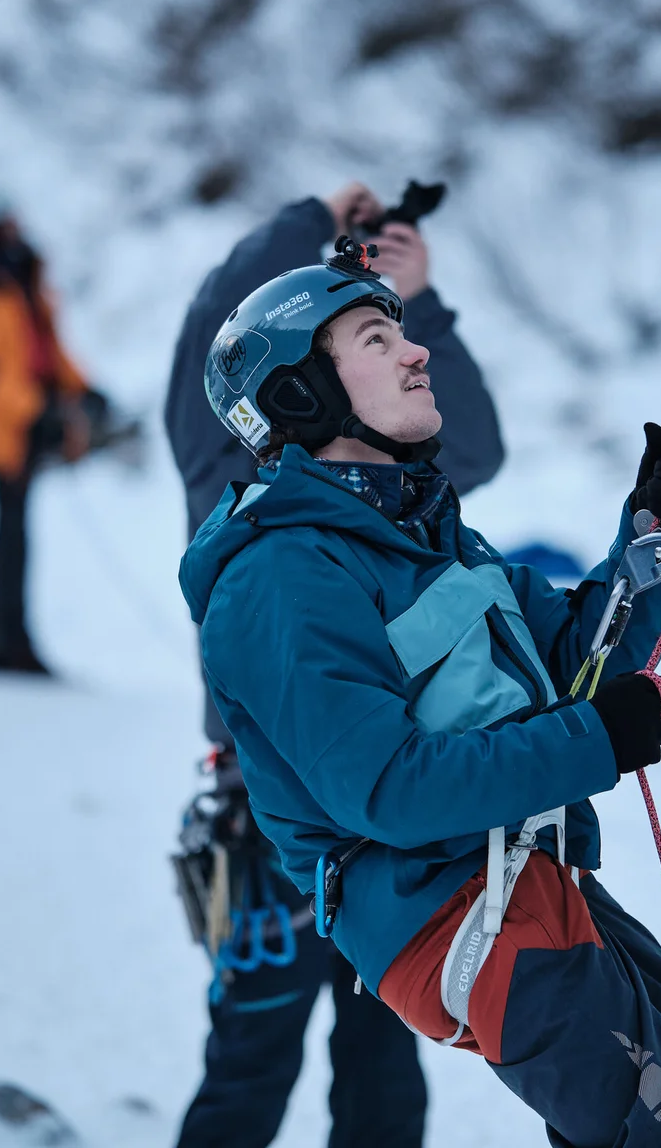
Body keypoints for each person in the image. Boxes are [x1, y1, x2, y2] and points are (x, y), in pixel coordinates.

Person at [177, 241, 661, 1147]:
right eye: (373, 337)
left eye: (401, 330)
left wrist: (655, 538)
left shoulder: (433, 539)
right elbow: (387, 789)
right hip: (442, 913)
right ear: (297, 395)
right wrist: (595, 738)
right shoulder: (280, 576)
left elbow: (580, 664)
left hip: (536, 879)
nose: (414, 350)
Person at [163, 184, 507, 1148]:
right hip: (270, 814)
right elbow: (212, 324)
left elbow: (474, 443)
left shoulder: (393, 480)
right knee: (250, 1065)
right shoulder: (226, 456)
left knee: (383, 1073)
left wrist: (416, 304)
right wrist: (312, 215)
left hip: (390, 824)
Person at [0, 211, 104, 675]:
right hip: (0, 430)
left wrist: (84, 389)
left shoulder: (26, 286)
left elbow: (49, 352)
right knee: (11, 531)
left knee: (13, 531)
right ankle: (2, 640)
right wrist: (36, 412)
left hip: (29, 421)